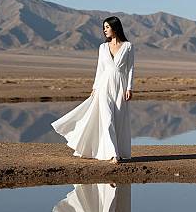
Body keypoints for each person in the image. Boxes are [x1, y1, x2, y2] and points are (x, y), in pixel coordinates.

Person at [51, 16, 134, 163]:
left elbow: (130, 69)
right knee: (107, 119)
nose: (104, 30)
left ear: (115, 27)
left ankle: (117, 152)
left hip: (120, 86)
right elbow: (100, 70)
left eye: (107, 27)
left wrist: (129, 88)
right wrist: (95, 88)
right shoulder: (102, 48)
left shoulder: (128, 46)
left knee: (118, 120)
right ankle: (113, 154)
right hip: (103, 86)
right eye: (104, 27)